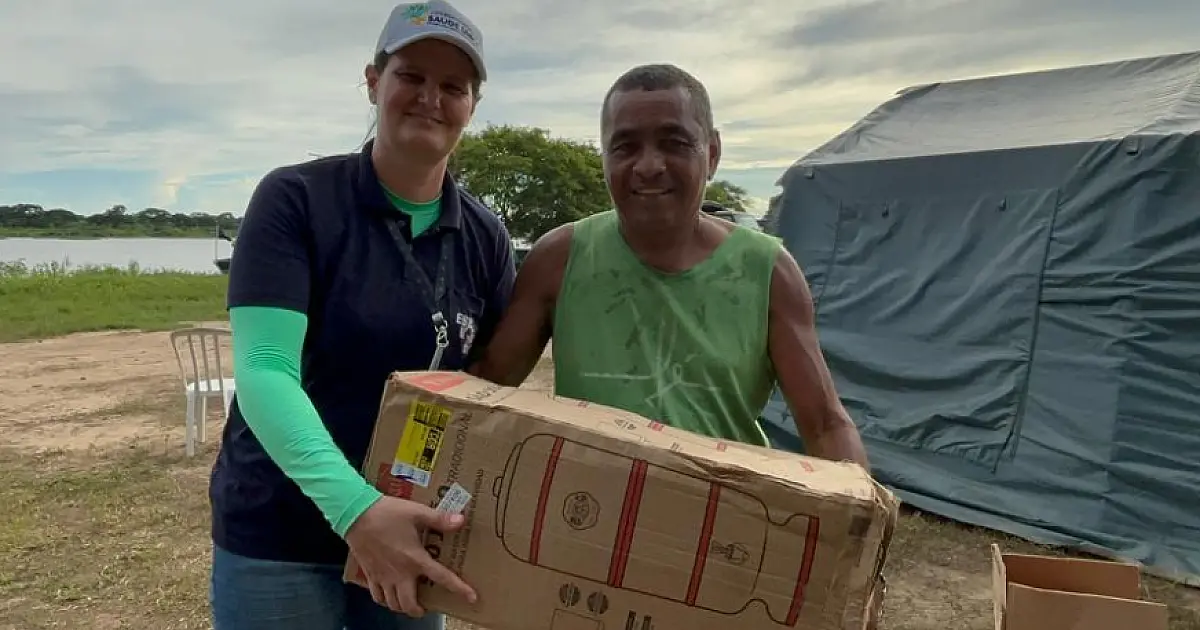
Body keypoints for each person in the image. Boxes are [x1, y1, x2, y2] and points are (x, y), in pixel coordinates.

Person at [208, 2, 511, 628]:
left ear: (472, 106)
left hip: (411, 531)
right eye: (411, 76)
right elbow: (265, 371)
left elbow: (488, 388)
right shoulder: (295, 200)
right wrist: (358, 512)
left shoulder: (484, 236)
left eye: (453, 86)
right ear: (374, 82)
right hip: (281, 531)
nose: (431, 97)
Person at [469, 63, 870, 470]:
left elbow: (824, 424)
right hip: (588, 514)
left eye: (674, 143)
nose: (648, 166)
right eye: (625, 146)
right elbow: (486, 387)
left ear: (711, 154)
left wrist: (860, 514)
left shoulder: (769, 272)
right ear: (604, 157)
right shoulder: (558, 258)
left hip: (725, 515)